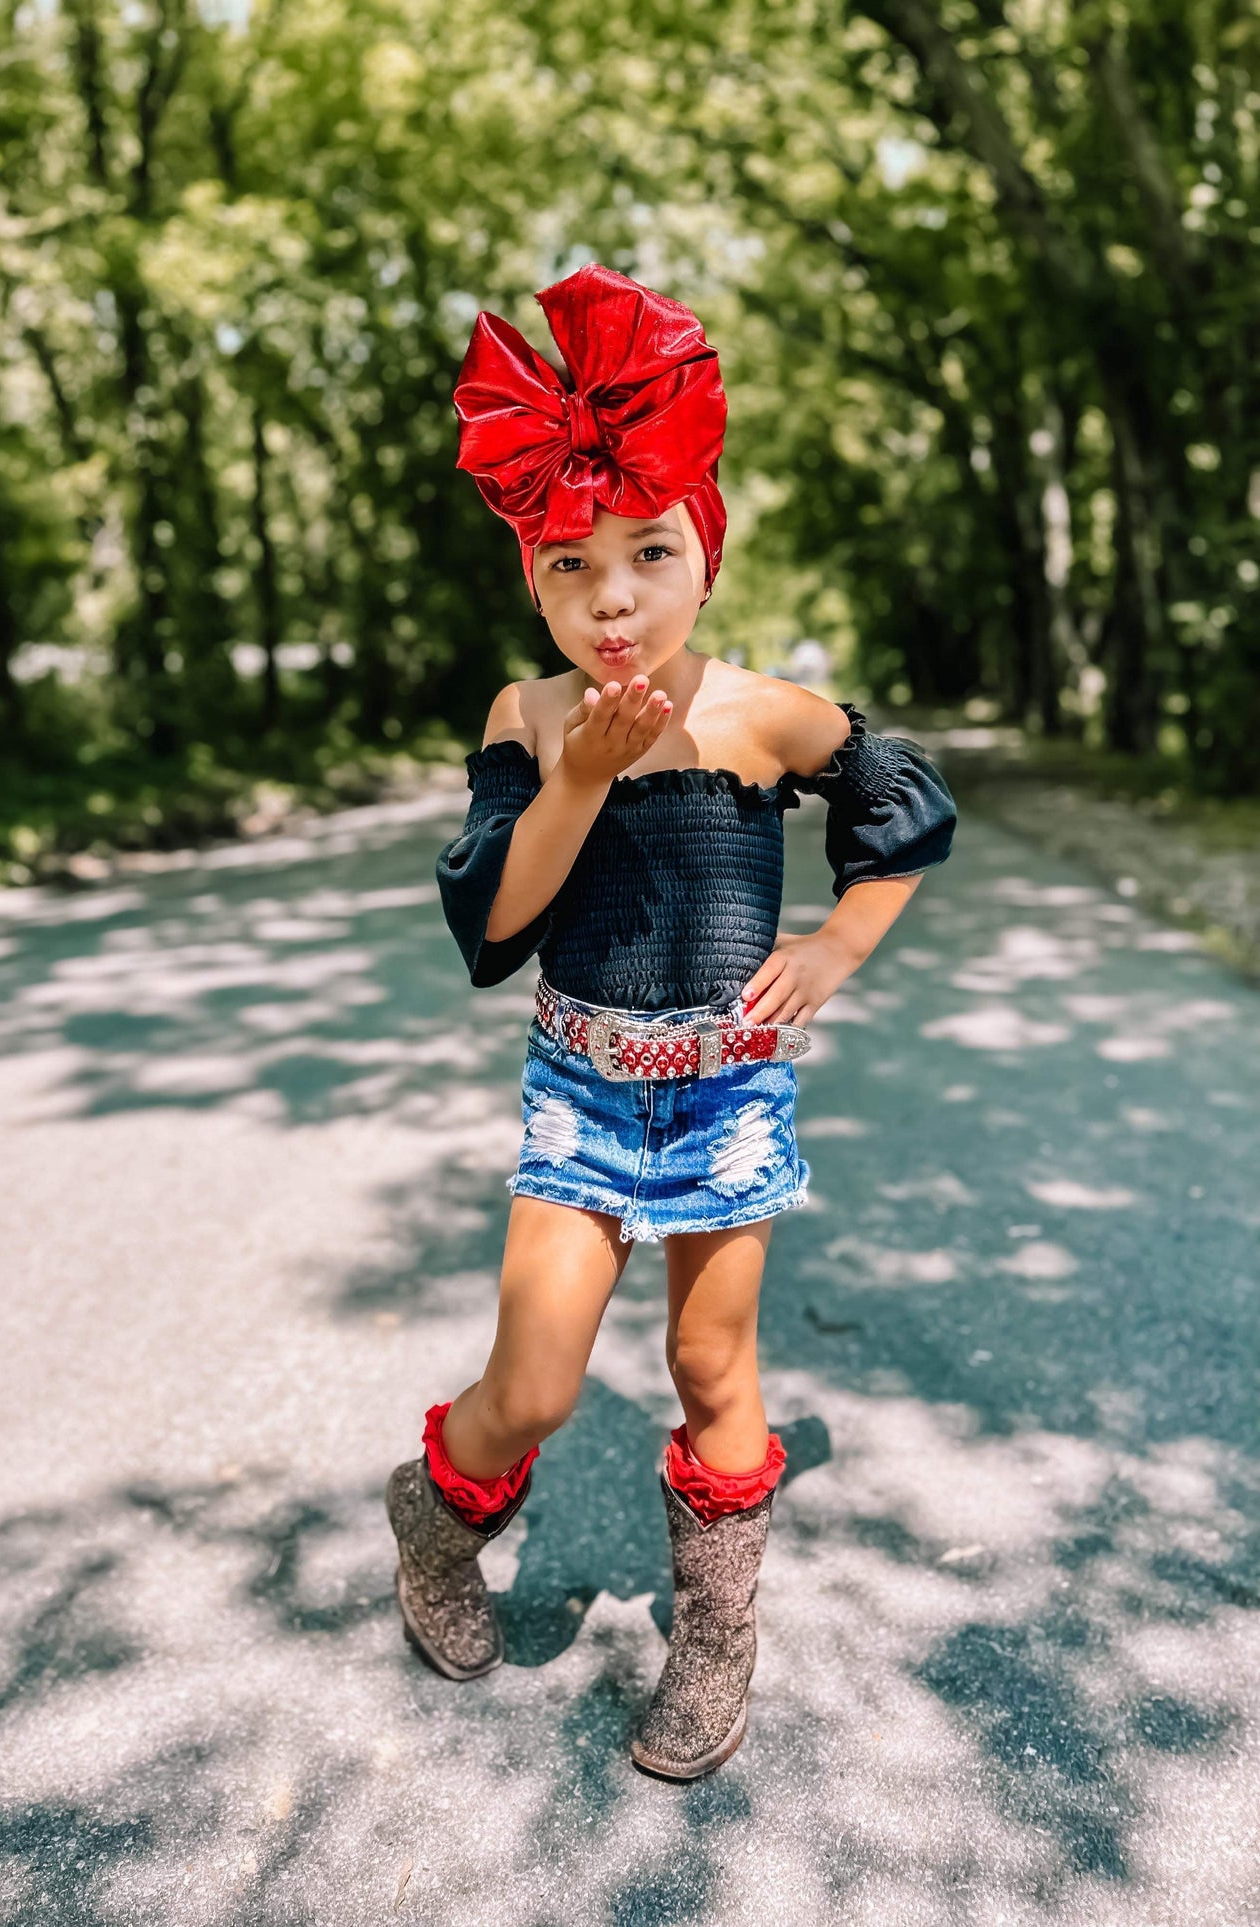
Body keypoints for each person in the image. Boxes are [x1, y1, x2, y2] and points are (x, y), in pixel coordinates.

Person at [386, 263, 957, 1780]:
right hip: (581, 1090)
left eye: (647, 552)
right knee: (535, 1384)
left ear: (706, 543)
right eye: (569, 566)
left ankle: (714, 1642)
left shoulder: (765, 713)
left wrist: (837, 940)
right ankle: (433, 1517)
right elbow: (496, 928)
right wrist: (576, 775)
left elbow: (899, 813)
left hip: (726, 1096)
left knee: (716, 1376)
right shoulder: (528, 714)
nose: (612, 597)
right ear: (532, 583)